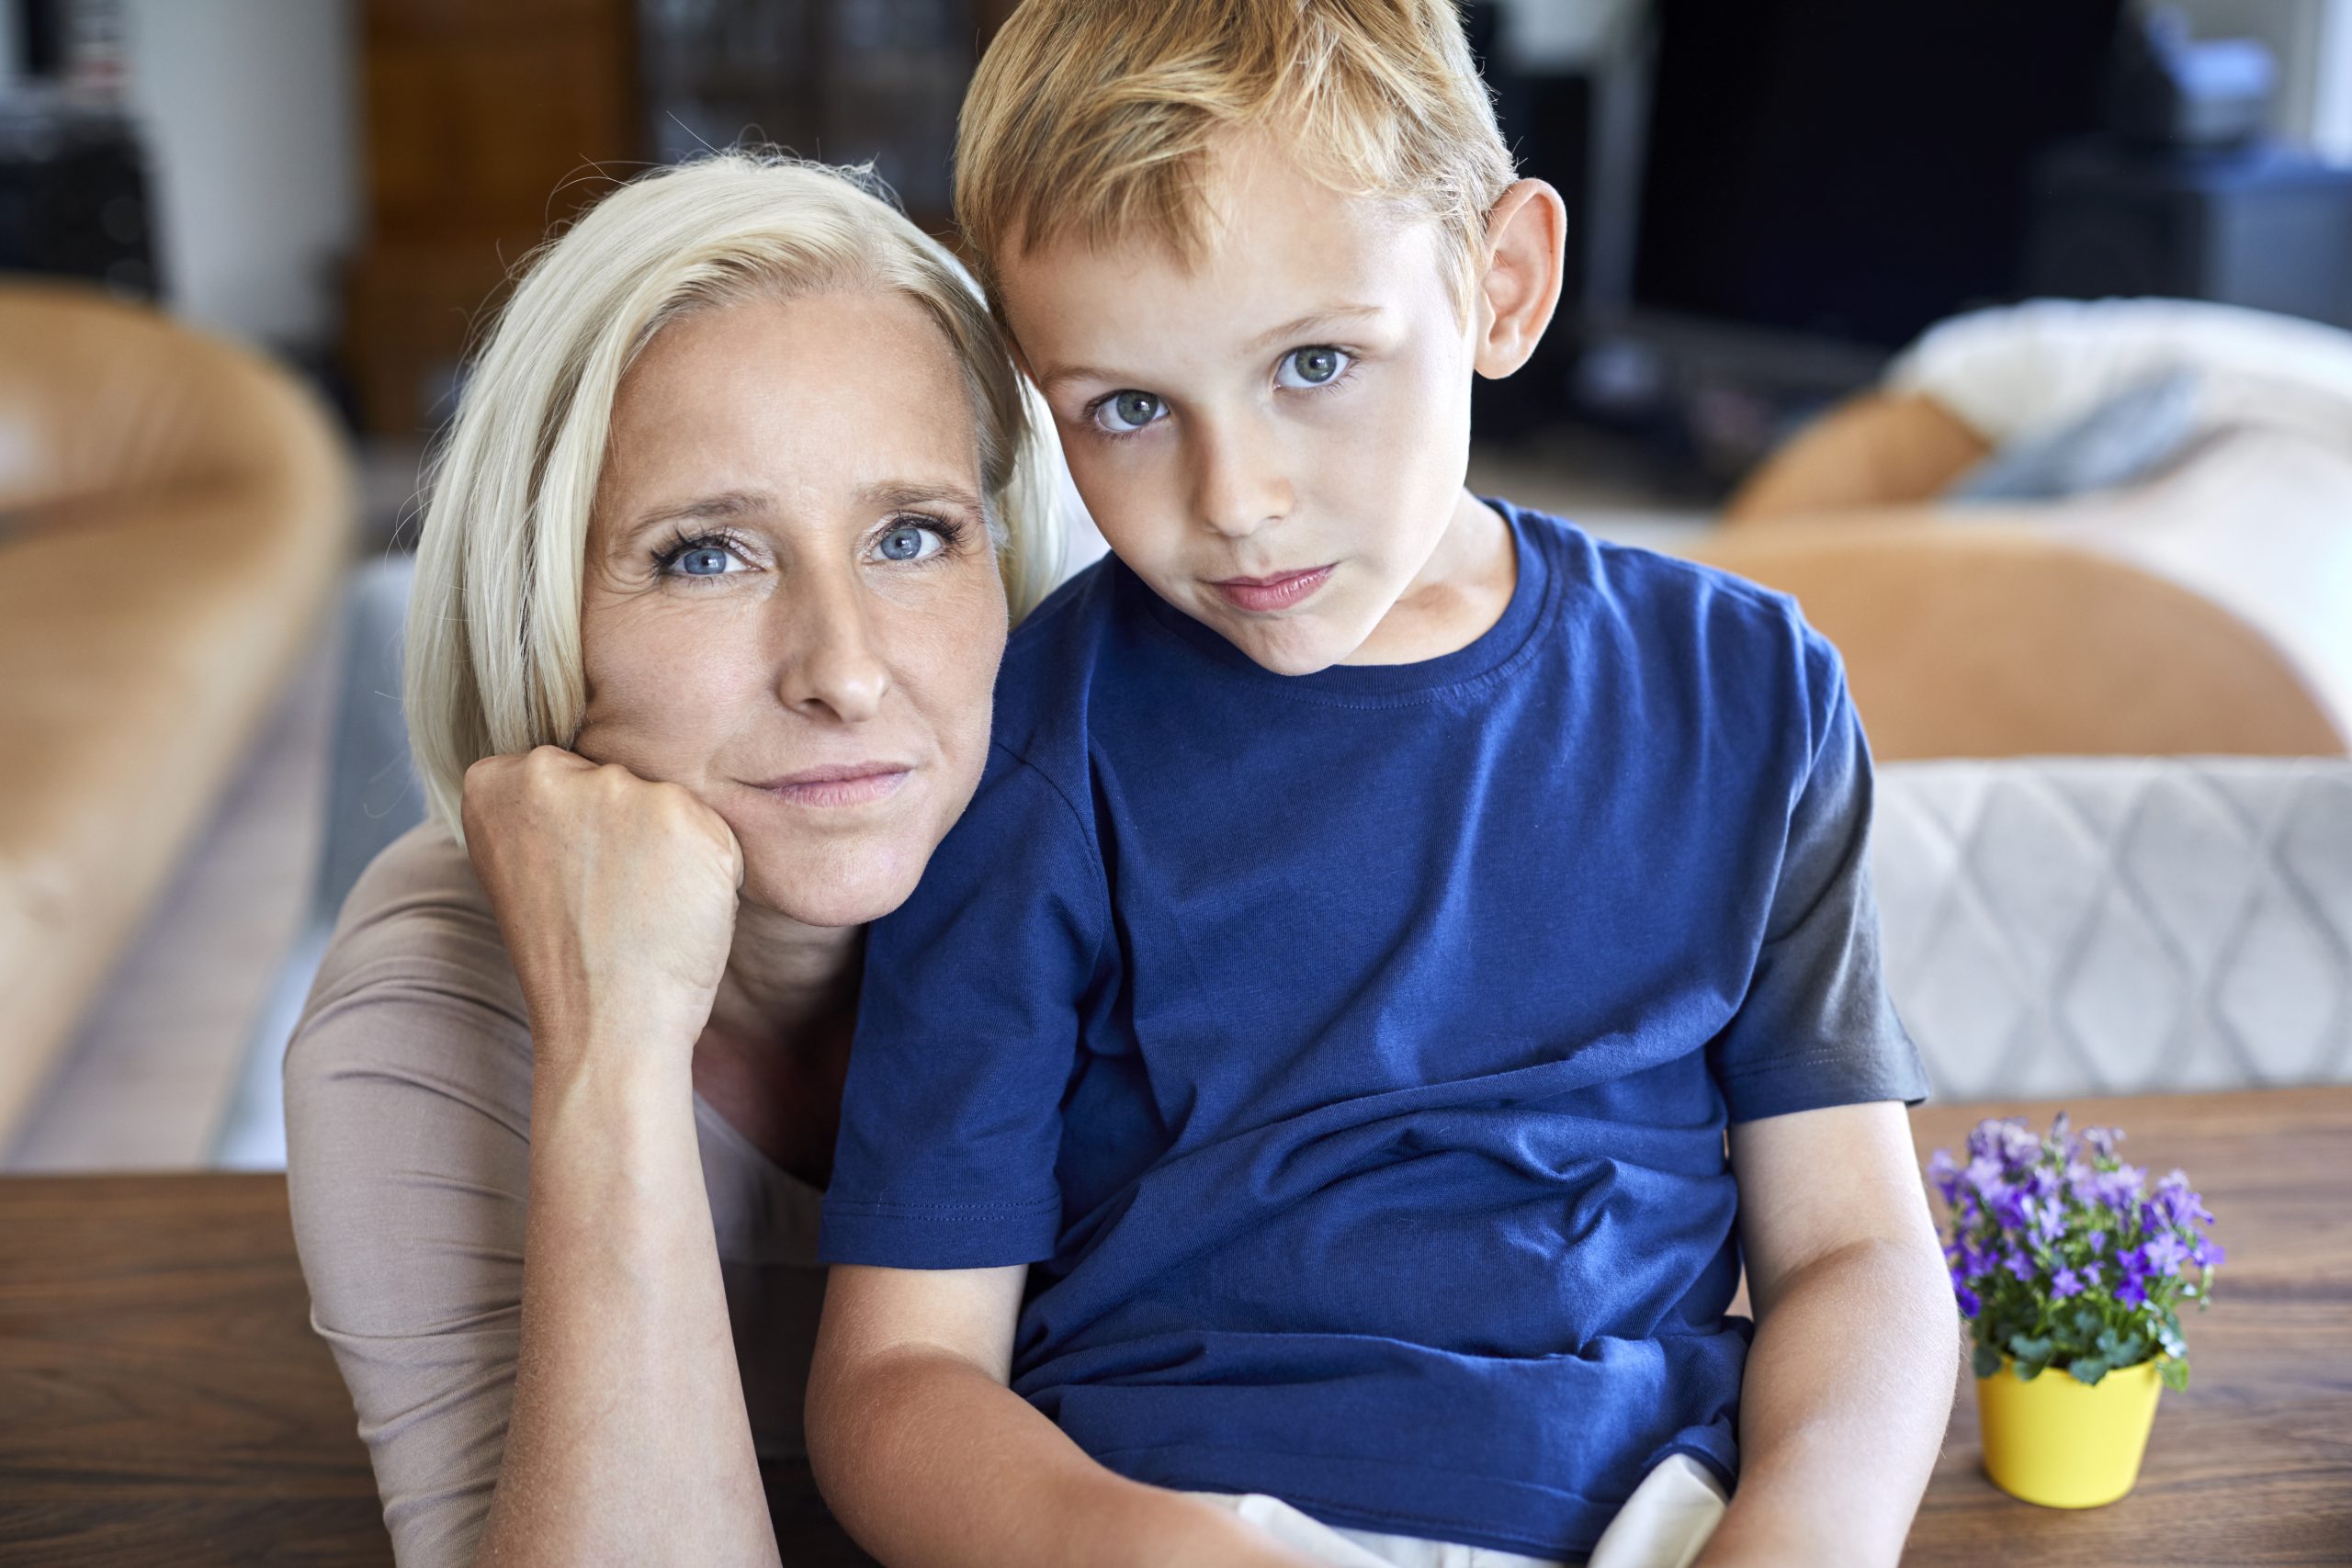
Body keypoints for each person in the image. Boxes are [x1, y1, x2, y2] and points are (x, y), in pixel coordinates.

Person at [806, 4, 1959, 1567]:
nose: (1236, 504)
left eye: (1317, 363)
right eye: (1128, 409)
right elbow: (897, 1378)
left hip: (1653, 1520)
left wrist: (1806, 1536)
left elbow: (1858, 1259)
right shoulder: (1032, 738)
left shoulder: (1746, 692)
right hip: (1176, 1516)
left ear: (1503, 286)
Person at [282, 151, 1074, 1567]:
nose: (843, 671)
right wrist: (613, 1050)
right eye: (708, 555)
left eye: (913, 535)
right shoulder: (415, 1025)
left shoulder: (1135, 883)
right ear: (541, 605)